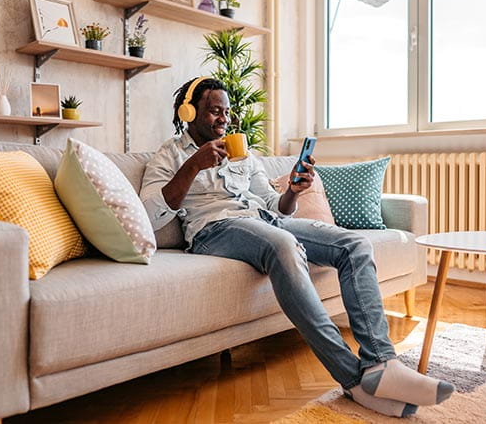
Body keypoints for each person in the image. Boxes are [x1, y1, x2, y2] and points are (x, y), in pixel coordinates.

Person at [140, 77, 454, 417]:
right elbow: (151, 215)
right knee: (284, 245)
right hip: (214, 230)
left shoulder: (241, 154)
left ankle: (380, 364)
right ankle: (352, 378)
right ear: (189, 112)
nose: (223, 120)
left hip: (265, 221)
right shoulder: (170, 154)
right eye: (214, 112)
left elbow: (277, 207)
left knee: (354, 245)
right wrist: (193, 165)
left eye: (226, 112)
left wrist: (293, 190)